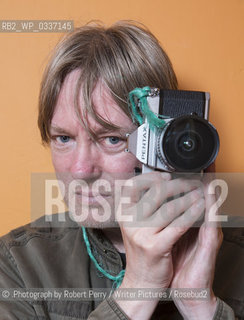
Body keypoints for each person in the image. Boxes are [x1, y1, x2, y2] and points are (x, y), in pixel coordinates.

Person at [0, 21, 242, 319]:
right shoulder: (19, 264)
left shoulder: (238, 257)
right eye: (64, 138)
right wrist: (137, 290)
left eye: (112, 139)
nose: (80, 170)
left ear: (163, 141)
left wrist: (201, 306)